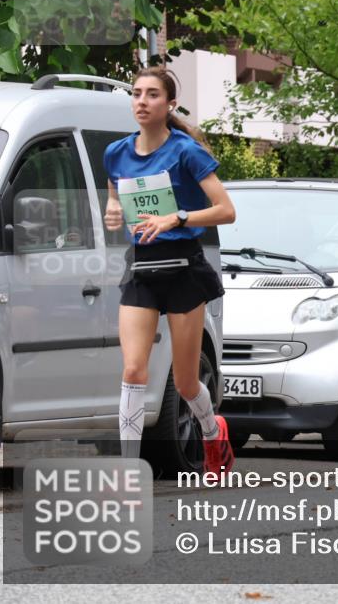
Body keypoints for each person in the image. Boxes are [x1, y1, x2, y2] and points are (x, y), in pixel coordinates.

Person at [103, 66, 237, 475]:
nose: (141, 101)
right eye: (137, 94)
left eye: (152, 95)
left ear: (169, 104)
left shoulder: (186, 151)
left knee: (184, 383)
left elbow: (226, 211)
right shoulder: (116, 153)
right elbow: (115, 193)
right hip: (143, 269)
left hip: (182, 271)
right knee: (132, 369)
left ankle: (213, 432)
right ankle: (128, 470)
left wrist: (175, 218)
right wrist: (112, 210)